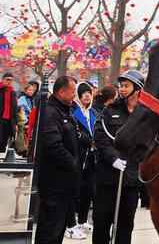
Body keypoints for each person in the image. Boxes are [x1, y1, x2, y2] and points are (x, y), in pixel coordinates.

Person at [93, 70, 145, 244]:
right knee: (101, 223)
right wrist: (113, 158)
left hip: (130, 180)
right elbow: (100, 136)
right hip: (108, 178)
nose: (122, 89)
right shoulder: (110, 110)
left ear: (137, 89)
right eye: (121, 86)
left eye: (126, 86)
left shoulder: (144, 115)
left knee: (125, 225)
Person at [34, 76, 82, 244]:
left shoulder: (66, 110)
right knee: (50, 229)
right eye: (73, 92)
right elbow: (53, 145)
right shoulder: (50, 112)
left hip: (65, 182)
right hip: (53, 181)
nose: (74, 96)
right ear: (61, 92)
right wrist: (73, 163)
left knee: (58, 229)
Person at [72, 82, 97, 234]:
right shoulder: (73, 112)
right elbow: (76, 134)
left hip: (92, 158)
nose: (87, 95)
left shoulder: (94, 112)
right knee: (77, 191)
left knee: (88, 190)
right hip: (79, 156)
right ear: (78, 95)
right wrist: (89, 141)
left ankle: (83, 220)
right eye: (83, 93)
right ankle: (73, 222)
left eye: (89, 92)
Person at [0, 71, 18, 154]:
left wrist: (16, 123)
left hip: (9, 120)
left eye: (11, 80)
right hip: (1, 119)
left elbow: (15, 108)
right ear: (2, 80)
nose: (9, 81)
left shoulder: (13, 92)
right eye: (7, 79)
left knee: (4, 140)